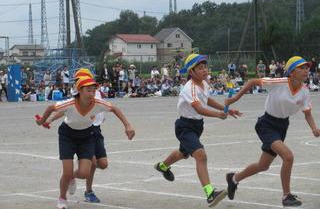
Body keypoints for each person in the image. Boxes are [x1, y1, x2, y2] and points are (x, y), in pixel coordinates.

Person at [224, 56, 320, 207]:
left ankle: (234, 179)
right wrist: (235, 98)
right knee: (288, 156)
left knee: (263, 165)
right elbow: (252, 82)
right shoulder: (279, 82)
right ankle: (286, 196)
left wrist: (314, 128)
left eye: (307, 67)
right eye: (301, 67)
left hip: (282, 126)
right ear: (292, 72)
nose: (306, 70)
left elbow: (307, 113)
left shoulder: (304, 91)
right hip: (267, 124)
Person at [154, 53, 242, 207]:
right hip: (185, 127)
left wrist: (227, 110)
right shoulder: (190, 88)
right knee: (201, 155)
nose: (205, 70)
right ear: (191, 71)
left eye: (205, 67)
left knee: (182, 153)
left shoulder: (204, 84)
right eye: (200, 68)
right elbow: (199, 108)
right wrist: (218, 115)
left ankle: (162, 166)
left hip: (196, 126)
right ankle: (210, 193)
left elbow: (208, 100)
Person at [35, 75, 135, 209]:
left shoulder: (98, 104)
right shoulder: (70, 103)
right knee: (67, 170)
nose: (92, 93)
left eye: (94, 90)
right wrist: (42, 121)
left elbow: (115, 109)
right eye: (88, 90)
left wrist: (128, 125)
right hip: (67, 135)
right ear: (79, 90)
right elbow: (51, 108)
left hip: (87, 136)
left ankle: (71, 177)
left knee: (83, 173)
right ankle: (62, 198)